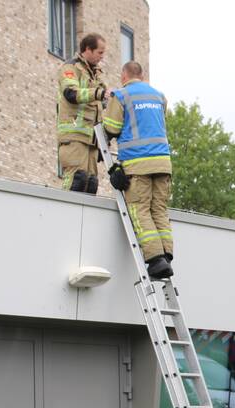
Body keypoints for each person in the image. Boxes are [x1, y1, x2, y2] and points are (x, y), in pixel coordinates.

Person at [102, 61, 174, 279]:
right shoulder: (159, 96)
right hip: (163, 163)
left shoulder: (122, 96)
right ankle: (166, 254)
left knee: (139, 209)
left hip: (137, 164)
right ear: (141, 75)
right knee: (158, 209)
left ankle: (155, 260)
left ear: (124, 76)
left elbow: (112, 128)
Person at [57, 33, 108, 194]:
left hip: (92, 142)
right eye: (100, 52)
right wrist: (99, 93)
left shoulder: (95, 75)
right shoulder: (71, 68)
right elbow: (71, 93)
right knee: (76, 181)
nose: (102, 57)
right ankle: (65, 216)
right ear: (88, 49)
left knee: (90, 184)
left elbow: (101, 106)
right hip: (74, 137)